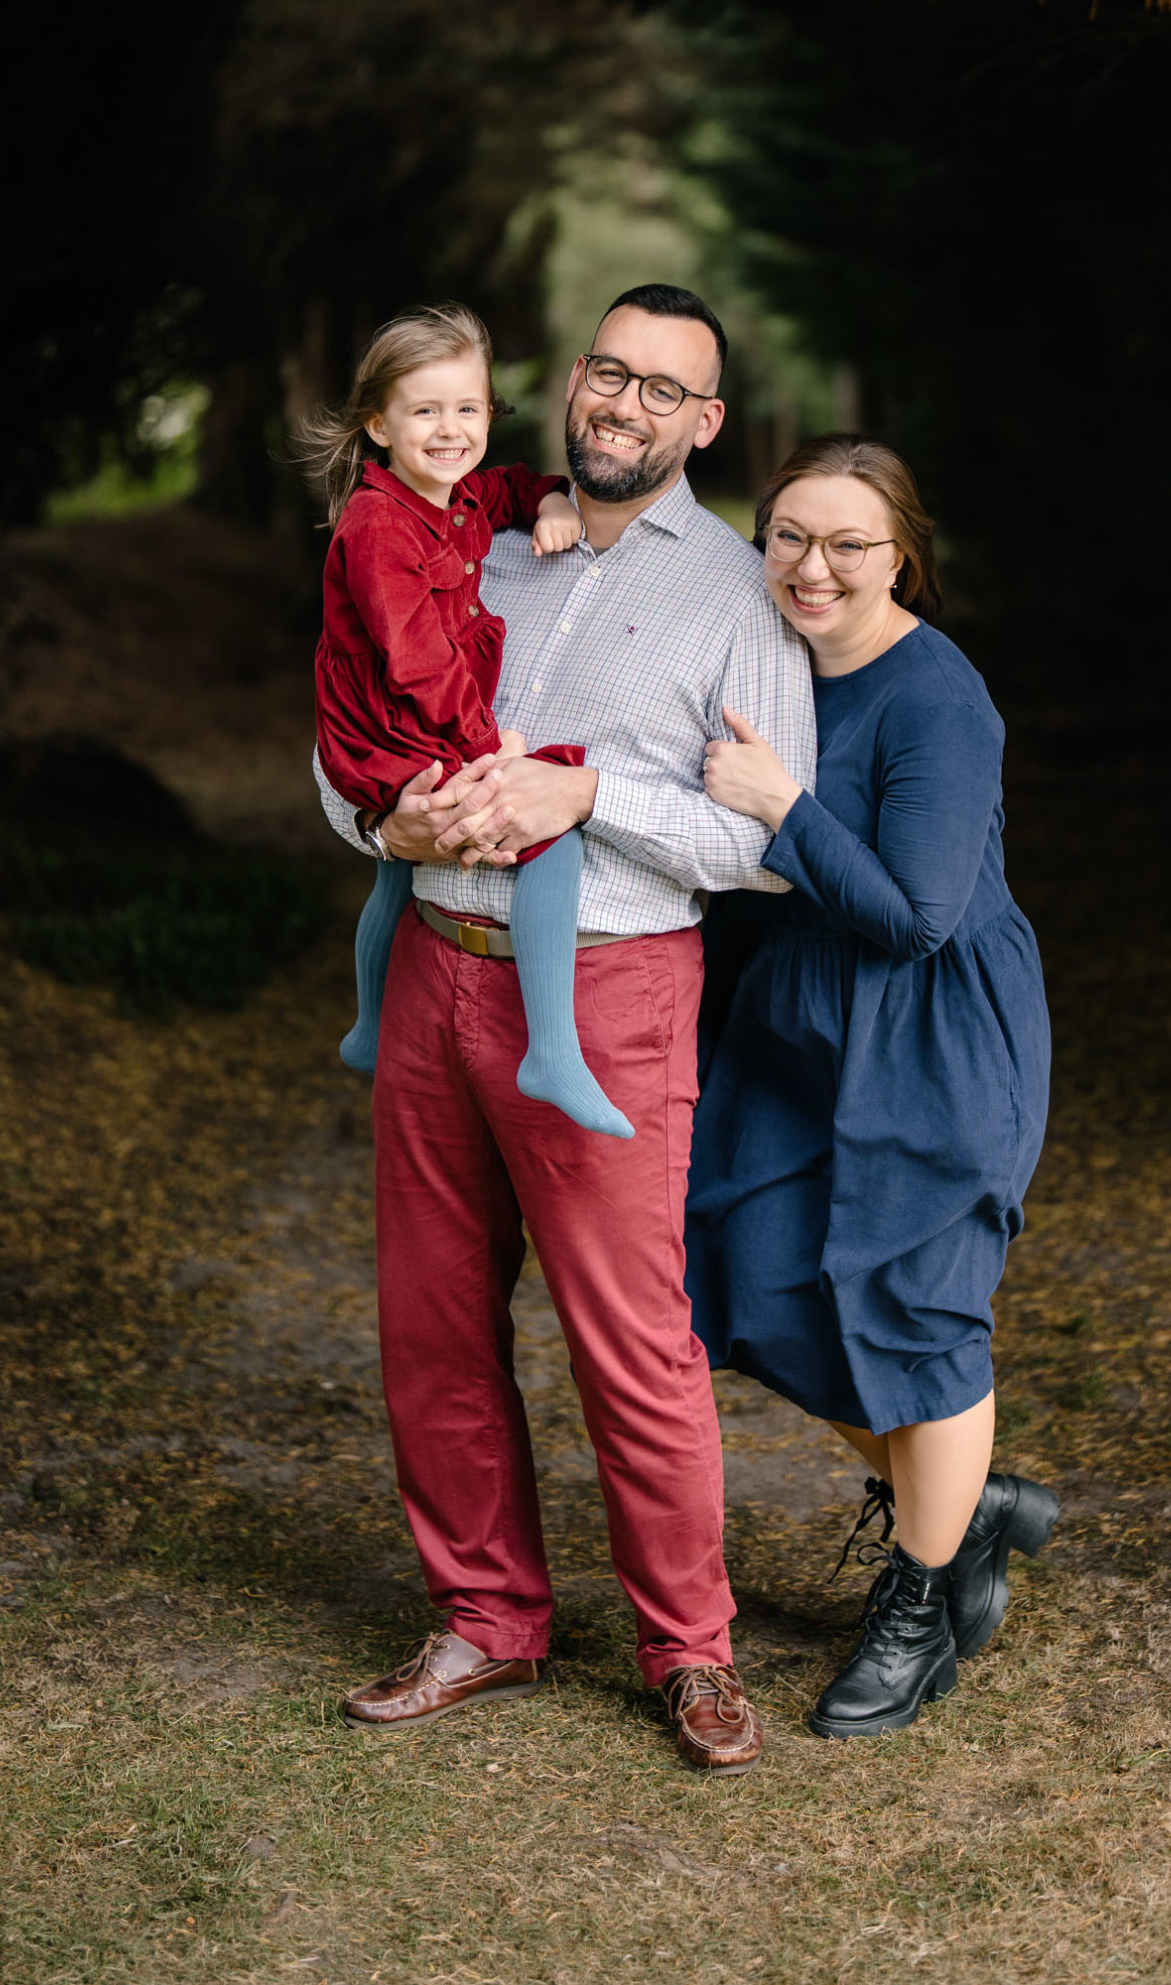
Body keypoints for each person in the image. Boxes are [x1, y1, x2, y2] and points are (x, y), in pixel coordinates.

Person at [313, 285, 815, 1772]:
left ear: (702, 423)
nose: (622, 406)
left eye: (662, 391)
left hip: (608, 992)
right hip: (433, 963)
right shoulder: (462, 530)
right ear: (572, 382)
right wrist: (374, 816)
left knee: (629, 1341)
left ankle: (688, 1649)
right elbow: (341, 730)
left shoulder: (736, 597)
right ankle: (486, 1619)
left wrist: (589, 795)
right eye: (607, 374)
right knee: (432, 1320)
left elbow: (770, 846)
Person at [691, 434, 1057, 1741]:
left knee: (913, 1317)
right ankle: (962, 1501)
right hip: (793, 1034)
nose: (812, 566)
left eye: (848, 542)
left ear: (898, 552)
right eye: (788, 534)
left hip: (932, 1042)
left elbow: (913, 915)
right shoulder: (763, 664)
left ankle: (922, 1601)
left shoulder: (934, 699)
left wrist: (784, 809)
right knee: (738, 1276)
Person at [301, 301, 632, 1139]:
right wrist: (491, 750)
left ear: (489, 412)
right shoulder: (379, 526)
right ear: (378, 424)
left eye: (467, 408)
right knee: (546, 822)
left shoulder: (449, 493)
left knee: (397, 868)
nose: (450, 429)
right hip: (395, 722)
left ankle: (370, 1027)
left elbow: (510, 487)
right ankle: (552, 1051)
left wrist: (553, 497)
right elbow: (416, 662)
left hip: (402, 715)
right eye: (424, 411)